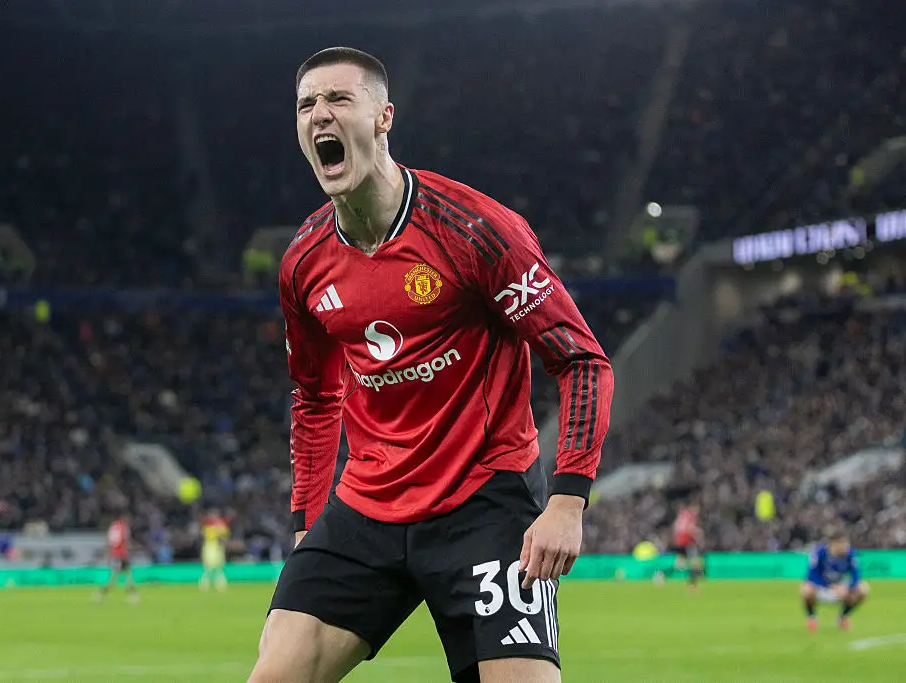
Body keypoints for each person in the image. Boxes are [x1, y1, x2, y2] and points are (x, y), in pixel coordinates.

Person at [248, 47, 614, 683]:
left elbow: (581, 360)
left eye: (339, 99)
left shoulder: (475, 230)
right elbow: (315, 397)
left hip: (485, 503)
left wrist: (567, 501)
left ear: (384, 117)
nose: (319, 115)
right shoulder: (304, 261)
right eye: (306, 105)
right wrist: (307, 522)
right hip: (367, 507)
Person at [801, 534, 869, 631]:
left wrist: (847, 588)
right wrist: (830, 586)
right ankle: (812, 618)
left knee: (863, 589)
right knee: (806, 589)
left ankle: (843, 617)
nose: (846, 546)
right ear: (833, 544)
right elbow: (811, 576)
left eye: (846, 543)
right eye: (842, 543)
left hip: (841, 588)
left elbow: (856, 576)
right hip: (823, 586)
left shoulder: (850, 553)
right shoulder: (819, 553)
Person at [96, 514, 139, 604]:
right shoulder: (123, 527)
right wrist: (129, 550)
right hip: (122, 554)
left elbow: (110, 541)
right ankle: (102, 593)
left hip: (115, 554)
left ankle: (132, 595)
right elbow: (125, 541)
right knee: (116, 577)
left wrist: (109, 554)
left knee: (126, 574)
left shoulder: (113, 527)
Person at [670, 504, 704, 590]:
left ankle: (661, 575)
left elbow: (676, 527)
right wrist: (698, 532)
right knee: (694, 562)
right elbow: (689, 528)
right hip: (687, 542)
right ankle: (692, 584)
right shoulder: (689, 516)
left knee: (679, 564)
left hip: (680, 542)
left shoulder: (682, 516)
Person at [200, 509, 230, 592]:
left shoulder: (221, 525)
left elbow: (225, 537)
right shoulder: (207, 526)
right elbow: (205, 536)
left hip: (218, 548)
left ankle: (221, 585)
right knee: (208, 568)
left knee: (219, 568)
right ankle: (204, 585)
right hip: (209, 548)